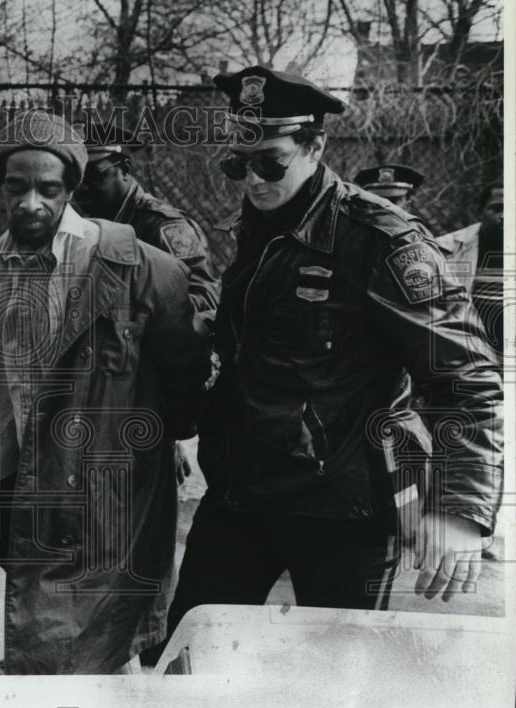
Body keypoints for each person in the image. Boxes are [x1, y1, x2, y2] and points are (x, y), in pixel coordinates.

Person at [159, 66, 502, 651]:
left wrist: (459, 510)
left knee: (333, 679)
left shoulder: (382, 241)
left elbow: (467, 377)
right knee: (191, 652)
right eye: (239, 165)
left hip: (343, 512)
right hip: (242, 494)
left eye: (270, 162)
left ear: (315, 145)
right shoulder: (258, 225)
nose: (253, 181)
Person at [0, 110, 210, 674]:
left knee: (92, 638)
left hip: (109, 492)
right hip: (31, 479)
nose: (30, 203)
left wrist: (169, 438)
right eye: (16, 188)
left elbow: (186, 370)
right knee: (57, 640)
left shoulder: (140, 267)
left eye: (48, 189)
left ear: (71, 189)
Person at [76, 125, 219, 318]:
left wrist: (143, 313)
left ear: (125, 170)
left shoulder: (161, 226)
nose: (82, 187)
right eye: (76, 178)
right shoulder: (86, 227)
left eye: (94, 175)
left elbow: (205, 295)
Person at [437, 179, 504, 356]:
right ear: (479, 211)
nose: (505, 216)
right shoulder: (446, 248)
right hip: (466, 351)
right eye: (498, 208)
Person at [353, 163, 425, 210]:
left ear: (406, 207)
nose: (385, 206)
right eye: (377, 201)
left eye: (393, 201)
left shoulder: (416, 233)